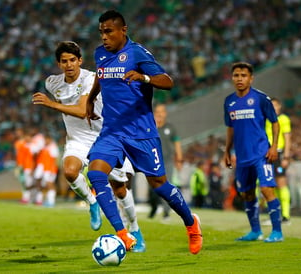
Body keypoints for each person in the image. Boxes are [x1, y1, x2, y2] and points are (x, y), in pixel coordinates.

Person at [86, 10, 202, 254]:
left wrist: (144, 77)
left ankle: (191, 223)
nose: (104, 37)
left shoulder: (137, 53)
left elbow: (167, 81)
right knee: (96, 174)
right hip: (112, 131)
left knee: (160, 185)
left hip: (141, 132)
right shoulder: (99, 54)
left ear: (123, 30)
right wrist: (90, 99)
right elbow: (101, 76)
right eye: (101, 32)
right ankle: (123, 235)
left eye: (108, 32)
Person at [32, 41, 146, 252]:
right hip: (78, 140)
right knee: (70, 171)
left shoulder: (91, 77)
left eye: (73, 60)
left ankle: (135, 229)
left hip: (105, 137)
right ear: (58, 64)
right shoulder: (52, 83)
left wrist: (51, 104)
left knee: (119, 189)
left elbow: (83, 110)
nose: (69, 65)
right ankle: (93, 203)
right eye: (64, 61)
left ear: (80, 61)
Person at [223, 61, 283, 242]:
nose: (239, 79)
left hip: (261, 154)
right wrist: (227, 151)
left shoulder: (261, 99)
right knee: (247, 194)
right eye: (236, 75)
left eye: (243, 75)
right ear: (232, 78)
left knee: (267, 189)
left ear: (251, 78)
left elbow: (275, 122)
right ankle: (256, 231)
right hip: (242, 157)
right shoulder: (229, 101)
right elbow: (230, 128)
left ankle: (277, 232)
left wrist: (273, 147)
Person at [148, 103, 184, 220]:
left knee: (166, 186)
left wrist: (179, 159)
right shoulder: (151, 127)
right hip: (152, 161)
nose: (159, 114)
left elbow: (177, 143)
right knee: (152, 189)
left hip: (167, 161)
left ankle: (166, 212)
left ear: (165, 113)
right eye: (157, 112)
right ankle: (153, 207)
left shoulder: (170, 127)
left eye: (161, 112)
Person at [265, 97, 292, 224]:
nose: (273, 108)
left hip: (279, 154)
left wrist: (286, 156)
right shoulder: (266, 119)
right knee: (270, 185)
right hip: (266, 154)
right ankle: (275, 215)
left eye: (275, 105)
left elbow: (287, 138)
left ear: (279, 106)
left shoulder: (283, 119)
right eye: (271, 105)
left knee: (281, 183)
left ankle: (285, 216)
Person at [33, 133, 59, 207]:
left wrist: (52, 170)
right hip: (44, 169)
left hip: (50, 169)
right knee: (42, 184)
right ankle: (41, 199)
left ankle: (51, 201)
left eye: (47, 140)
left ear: (50, 139)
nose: (45, 141)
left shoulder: (53, 147)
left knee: (50, 184)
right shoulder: (43, 147)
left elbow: (55, 160)